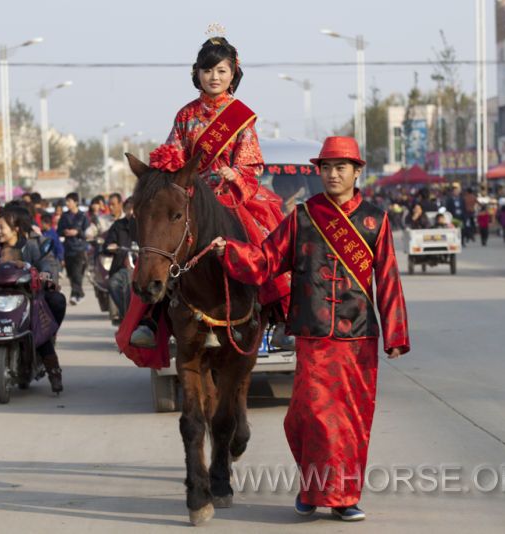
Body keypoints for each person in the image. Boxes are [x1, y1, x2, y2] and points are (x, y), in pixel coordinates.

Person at [211, 137, 409, 521]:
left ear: (356, 172)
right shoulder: (302, 217)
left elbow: (387, 280)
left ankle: (345, 497)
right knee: (310, 416)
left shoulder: (375, 220)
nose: (333, 174)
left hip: (359, 337)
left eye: (341, 167)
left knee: (353, 420)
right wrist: (229, 251)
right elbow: (266, 261)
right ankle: (314, 488)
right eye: (327, 168)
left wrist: (396, 334)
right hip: (314, 334)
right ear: (319, 173)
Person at [122, 35, 291, 353]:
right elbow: (171, 155)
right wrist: (169, 172)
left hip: (231, 196)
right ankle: (152, 316)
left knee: (265, 240)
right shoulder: (185, 116)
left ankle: (281, 315)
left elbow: (252, 164)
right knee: (159, 246)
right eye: (207, 69)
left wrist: (235, 174)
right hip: (191, 198)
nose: (214, 76)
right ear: (196, 72)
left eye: (222, 70)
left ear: (233, 74)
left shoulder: (242, 117)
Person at [0, 209, 67, 391]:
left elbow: (44, 264)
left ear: (15, 229)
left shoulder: (30, 246)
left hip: (26, 297)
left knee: (41, 324)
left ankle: (53, 370)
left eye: (2, 227)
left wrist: (45, 274)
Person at [103, 198, 137, 323]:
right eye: (128, 208)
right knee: (113, 284)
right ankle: (126, 314)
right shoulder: (118, 225)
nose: (131, 212)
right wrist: (112, 247)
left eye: (134, 208)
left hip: (142, 266)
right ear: (124, 210)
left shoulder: (145, 224)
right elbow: (106, 246)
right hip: (121, 266)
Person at [57, 192, 89, 304]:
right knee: (70, 274)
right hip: (68, 248)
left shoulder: (83, 216)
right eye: (66, 201)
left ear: (76, 202)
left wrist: (77, 232)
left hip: (80, 249)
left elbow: (88, 233)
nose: (67, 203)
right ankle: (80, 293)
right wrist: (65, 232)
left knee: (77, 273)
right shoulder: (64, 216)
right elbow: (58, 231)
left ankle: (74, 295)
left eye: (69, 201)